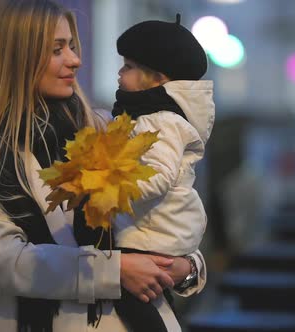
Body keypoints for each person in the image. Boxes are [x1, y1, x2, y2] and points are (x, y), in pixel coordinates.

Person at [0, 1, 206, 331]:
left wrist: (187, 267)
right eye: (57, 49)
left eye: (73, 46)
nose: (75, 60)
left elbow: (170, 215)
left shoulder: (104, 125)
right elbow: (1, 261)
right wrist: (113, 270)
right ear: (17, 57)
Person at [110, 14, 214, 332]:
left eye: (128, 66)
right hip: (156, 231)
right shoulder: (153, 117)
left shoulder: (160, 122)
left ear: (156, 79)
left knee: (137, 307)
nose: (119, 72)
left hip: (152, 234)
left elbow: (158, 176)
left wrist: (112, 183)